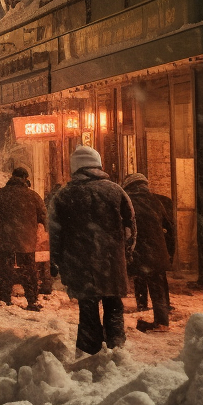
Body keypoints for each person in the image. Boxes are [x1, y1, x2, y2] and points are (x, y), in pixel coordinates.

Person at [49, 145, 136, 355]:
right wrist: (126, 252)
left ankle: (89, 351)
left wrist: (56, 261)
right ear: (98, 164)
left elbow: (55, 234)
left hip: (80, 264)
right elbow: (131, 226)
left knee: (87, 309)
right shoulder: (116, 191)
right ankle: (116, 348)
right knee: (113, 305)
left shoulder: (64, 195)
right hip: (111, 263)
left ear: (75, 168)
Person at [0, 166, 46, 311]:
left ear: (11, 177)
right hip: (27, 240)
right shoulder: (33, 196)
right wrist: (36, 231)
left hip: (5, 239)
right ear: (26, 179)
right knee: (29, 269)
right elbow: (44, 217)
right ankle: (32, 300)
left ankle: (4, 298)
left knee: (5, 268)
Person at [120, 172, 176, 332]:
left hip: (136, 250)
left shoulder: (126, 202)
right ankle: (162, 321)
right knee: (157, 284)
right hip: (156, 251)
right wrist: (169, 251)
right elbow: (169, 229)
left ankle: (140, 306)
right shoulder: (156, 201)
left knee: (136, 279)